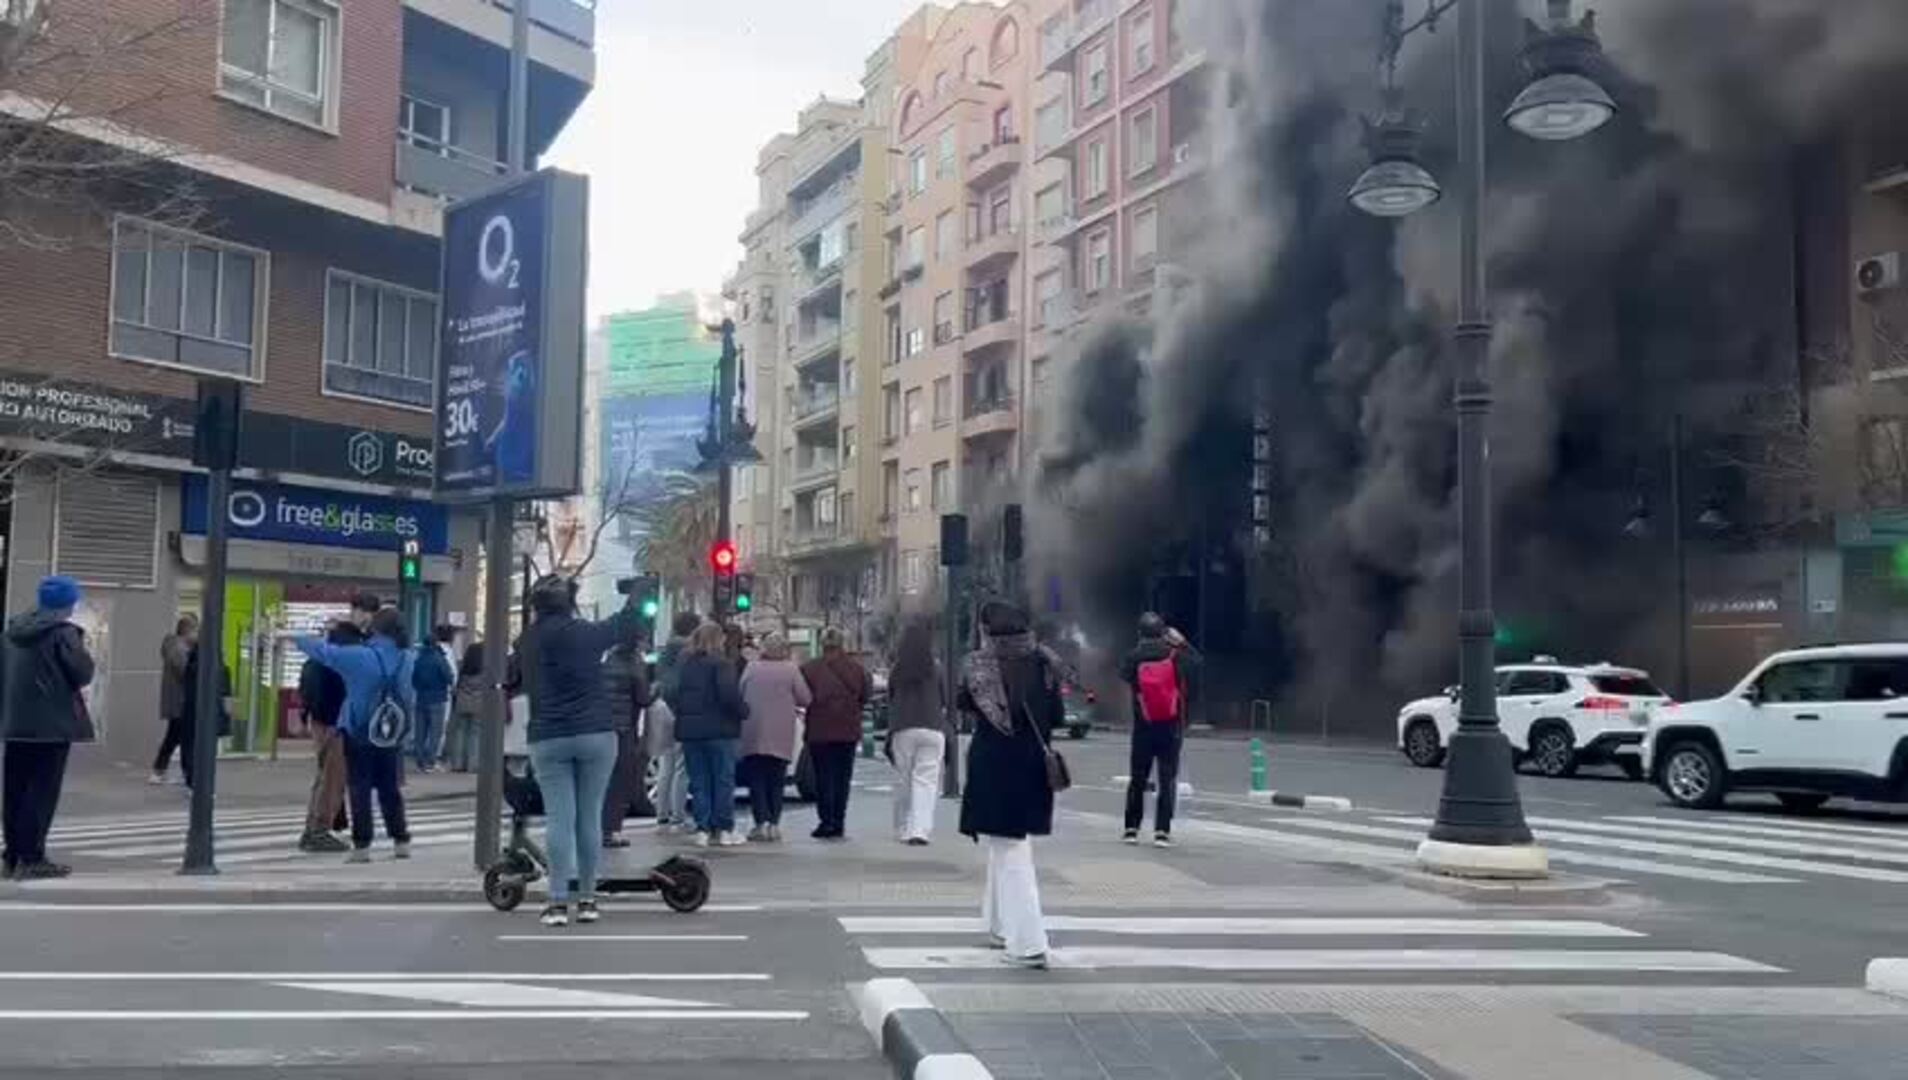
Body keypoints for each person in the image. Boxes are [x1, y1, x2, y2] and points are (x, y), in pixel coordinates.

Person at [514, 575, 647, 928]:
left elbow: (513, 680)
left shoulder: (527, 640)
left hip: (548, 734)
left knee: (560, 819)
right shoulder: (586, 634)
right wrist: (636, 595)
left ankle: (557, 902)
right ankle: (587, 899)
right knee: (590, 817)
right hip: (596, 732)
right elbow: (625, 624)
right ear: (570, 602)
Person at [958, 601, 1063, 970]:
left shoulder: (980, 665)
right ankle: (1000, 925)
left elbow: (962, 703)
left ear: (987, 630)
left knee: (1011, 851)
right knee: (1007, 845)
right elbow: (1058, 715)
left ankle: (1028, 943)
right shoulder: (1045, 660)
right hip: (1033, 763)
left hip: (995, 763)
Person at [294, 607, 415, 865]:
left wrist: (295, 637)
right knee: (390, 788)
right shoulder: (407, 658)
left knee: (359, 787)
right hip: (391, 731)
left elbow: (325, 653)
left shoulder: (361, 656)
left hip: (358, 728)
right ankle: (401, 839)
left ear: (376, 629)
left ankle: (362, 845)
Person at [1, 576, 95, 880]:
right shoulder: (63, 634)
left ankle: (12, 854)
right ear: (65, 604)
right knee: (41, 792)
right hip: (51, 724)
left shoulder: (12, 631)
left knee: (15, 789)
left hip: (15, 722)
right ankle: (32, 858)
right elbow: (82, 673)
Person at [295, 593, 378, 852]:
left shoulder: (332, 642)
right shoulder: (352, 645)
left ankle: (315, 828)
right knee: (333, 776)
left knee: (326, 776)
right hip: (338, 719)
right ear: (364, 613)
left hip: (324, 716)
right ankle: (318, 830)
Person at [1118, 613, 1201, 848]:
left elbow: (1125, 677)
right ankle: (1162, 832)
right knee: (1167, 778)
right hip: (1170, 726)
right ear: (1163, 632)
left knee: (1138, 778)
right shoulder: (1175, 655)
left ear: (1140, 633)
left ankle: (1131, 829)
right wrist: (1182, 643)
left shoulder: (1134, 656)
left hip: (1143, 725)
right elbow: (1197, 663)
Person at [666, 621, 749, 848]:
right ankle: (723, 828)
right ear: (717, 639)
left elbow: (670, 691)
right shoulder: (723, 664)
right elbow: (728, 696)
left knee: (699, 781)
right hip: (720, 730)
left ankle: (702, 828)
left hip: (691, 731)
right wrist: (744, 711)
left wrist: (683, 711)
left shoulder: (684, 664)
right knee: (723, 779)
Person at [737, 631, 809, 842]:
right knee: (777, 780)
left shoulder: (751, 668)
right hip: (781, 731)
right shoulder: (791, 670)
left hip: (753, 729)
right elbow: (805, 698)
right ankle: (774, 825)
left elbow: (740, 694)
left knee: (757, 779)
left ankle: (761, 823)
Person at [801, 627, 871, 841]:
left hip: (819, 731)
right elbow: (865, 695)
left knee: (823, 777)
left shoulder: (809, 669)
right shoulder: (857, 670)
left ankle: (825, 821)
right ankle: (839, 821)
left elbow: (803, 697)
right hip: (847, 730)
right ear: (843, 644)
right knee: (842, 778)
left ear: (822, 645)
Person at [886, 622, 948, 846]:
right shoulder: (937, 667)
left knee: (903, 779)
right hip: (932, 727)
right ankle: (920, 830)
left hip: (904, 727)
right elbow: (944, 699)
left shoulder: (897, 669)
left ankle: (902, 827)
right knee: (926, 781)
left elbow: (891, 697)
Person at [649, 612, 701, 833]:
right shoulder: (688, 652)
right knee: (682, 766)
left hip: (661, 707)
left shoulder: (665, 650)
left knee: (666, 763)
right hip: (680, 708)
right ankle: (678, 815)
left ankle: (662, 813)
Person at [601, 638, 653, 849]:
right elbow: (643, 698)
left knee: (601, 779)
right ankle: (609, 830)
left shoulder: (608, 660)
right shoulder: (634, 663)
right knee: (620, 780)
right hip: (624, 729)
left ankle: (594, 827)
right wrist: (656, 690)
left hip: (601, 726)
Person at [149, 615, 197, 785]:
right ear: (187, 630)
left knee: (174, 737)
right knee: (180, 738)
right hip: (180, 701)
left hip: (177, 701)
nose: (196, 634)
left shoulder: (175, 647)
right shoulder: (178, 649)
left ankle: (160, 770)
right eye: (194, 630)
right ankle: (182, 774)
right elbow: (186, 672)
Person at [410, 625, 457, 773]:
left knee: (420, 731)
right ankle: (431, 761)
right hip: (438, 698)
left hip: (421, 698)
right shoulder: (439, 658)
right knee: (435, 732)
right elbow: (449, 677)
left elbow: (414, 679)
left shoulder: (419, 659)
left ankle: (420, 760)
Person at [446, 640, 485, 773]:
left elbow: (457, 684)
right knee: (475, 734)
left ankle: (457, 763)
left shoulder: (464, 668)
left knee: (460, 732)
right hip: (479, 703)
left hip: (462, 703)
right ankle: (473, 764)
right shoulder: (485, 670)